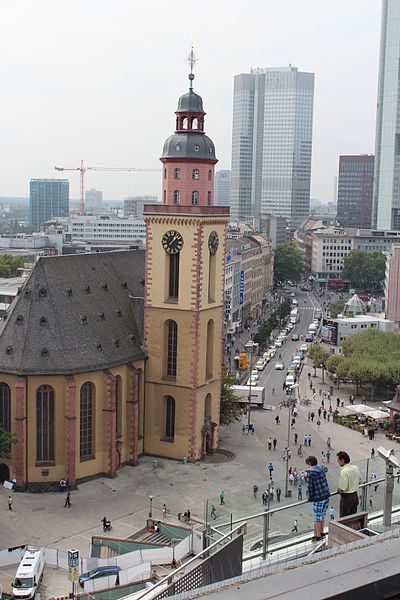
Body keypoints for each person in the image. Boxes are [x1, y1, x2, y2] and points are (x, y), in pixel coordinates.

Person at [305, 455, 330, 542]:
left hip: (318, 497)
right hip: (326, 495)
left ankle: (318, 536)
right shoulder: (321, 468)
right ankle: (322, 532)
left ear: (309, 463)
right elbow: (326, 469)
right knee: (322, 515)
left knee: (317, 517)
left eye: (307, 464)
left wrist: (310, 497)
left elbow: (310, 487)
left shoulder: (310, 474)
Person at [336, 451, 362, 517]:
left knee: (344, 518)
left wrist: (339, 489)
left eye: (338, 460)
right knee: (352, 517)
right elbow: (360, 480)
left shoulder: (344, 471)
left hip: (346, 498)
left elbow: (343, 488)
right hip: (355, 496)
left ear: (342, 460)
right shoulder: (355, 468)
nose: (338, 462)